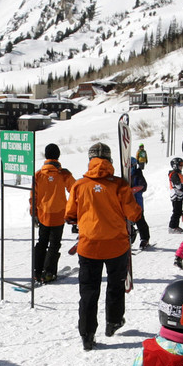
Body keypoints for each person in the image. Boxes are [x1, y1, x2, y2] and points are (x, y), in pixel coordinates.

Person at [65, 142, 143, 350]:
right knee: (116, 285)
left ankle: (87, 335)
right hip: (116, 245)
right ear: (109, 160)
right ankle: (113, 321)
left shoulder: (80, 185)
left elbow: (70, 214)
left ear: (90, 160)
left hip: (89, 246)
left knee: (89, 291)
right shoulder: (119, 184)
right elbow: (133, 213)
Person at [30, 143, 75, 284]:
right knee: (54, 244)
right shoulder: (64, 173)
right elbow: (75, 191)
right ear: (58, 156)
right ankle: (49, 272)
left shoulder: (38, 174)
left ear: (46, 156)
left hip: (43, 214)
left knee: (42, 242)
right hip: (59, 214)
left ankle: (37, 271)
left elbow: (33, 196)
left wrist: (34, 213)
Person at [128, 156, 152, 251]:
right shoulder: (125, 175)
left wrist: (132, 190)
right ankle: (127, 239)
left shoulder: (138, 174)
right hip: (127, 204)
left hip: (137, 203)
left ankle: (145, 239)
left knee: (140, 221)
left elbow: (143, 186)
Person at [167, 157, 183, 233]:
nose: (182, 166)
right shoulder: (174, 174)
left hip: (179, 195)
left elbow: (181, 182)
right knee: (176, 212)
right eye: (180, 164)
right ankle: (172, 227)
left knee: (178, 211)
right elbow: (177, 184)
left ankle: (175, 226)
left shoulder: (178, 174)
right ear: (175, 165)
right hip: (176, 195)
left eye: (182, 164)